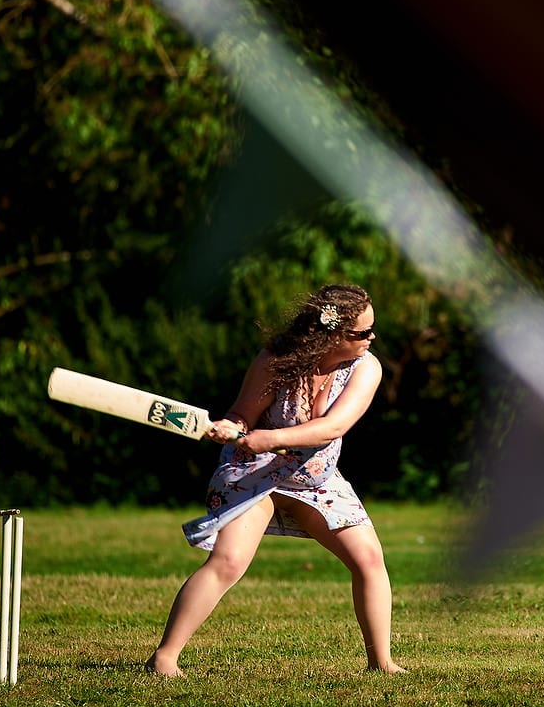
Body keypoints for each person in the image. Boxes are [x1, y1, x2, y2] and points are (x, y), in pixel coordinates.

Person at [144, 283, 407, 676]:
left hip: (316, 480)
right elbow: (242, 415)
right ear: (330, 334)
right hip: (253, 472)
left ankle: (381, 663)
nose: (372, 338)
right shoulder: (275, 360)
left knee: (369, 559)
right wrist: (232, 427)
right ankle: (164, 658)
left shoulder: (366, 368)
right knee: (228, 561)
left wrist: (273, 437)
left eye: (372, 329)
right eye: (361, 333)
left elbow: (330, 429)